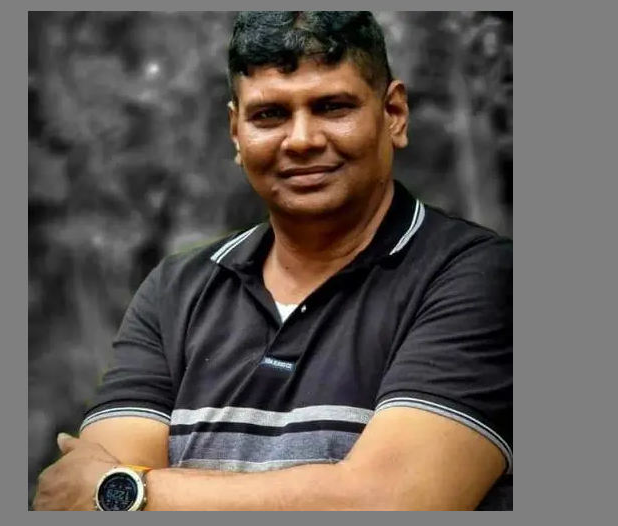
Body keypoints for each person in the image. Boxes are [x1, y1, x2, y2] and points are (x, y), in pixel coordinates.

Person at [33, 11, 513, 511]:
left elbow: (392, 502)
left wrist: (129, 493)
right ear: (236, 132)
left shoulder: (478, 278)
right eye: (270, 115)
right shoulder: (176, 292)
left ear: (393, 113)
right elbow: (77, 502)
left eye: (332, 107)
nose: (302, 140)